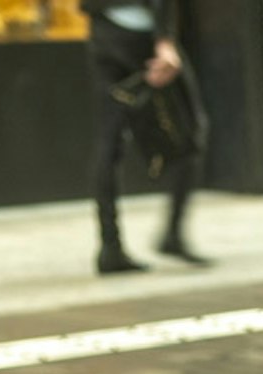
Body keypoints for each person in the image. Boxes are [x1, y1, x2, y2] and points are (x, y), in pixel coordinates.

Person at [88, 0, 203, 277]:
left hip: (102, 30)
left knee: (110, 138)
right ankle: (173, 233)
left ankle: (110, 246)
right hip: (142, 31)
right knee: (190, 128)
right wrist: (165, 39)